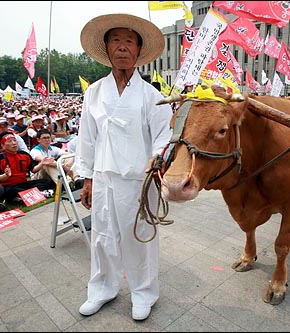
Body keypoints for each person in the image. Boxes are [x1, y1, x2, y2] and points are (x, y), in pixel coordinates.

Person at [77, 13, 172, 320]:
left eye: (128, 41)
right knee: (102, 238)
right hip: (104, 179)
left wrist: (156, 156)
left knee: (139, 238)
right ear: (106, 48)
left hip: (138, 182)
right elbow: (87, 138)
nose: (121, 47)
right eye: (115, 40)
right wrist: (87, 179)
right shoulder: (93, 93)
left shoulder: (151, 96)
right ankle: (102, 289)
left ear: (137, 50)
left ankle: (144, 293)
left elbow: (164, 135)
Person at [0, 131, 53, 204]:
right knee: (10, 191)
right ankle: (38, 194)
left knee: (46, 182)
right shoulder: (0, 158)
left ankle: (22, 197)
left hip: (23, 184)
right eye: (9, 141)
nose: (14, 143)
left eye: (14, 140)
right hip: (9, 186)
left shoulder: (24, 154)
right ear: (2, 146)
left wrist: (42, 163)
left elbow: (33, 170)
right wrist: (5, 176)